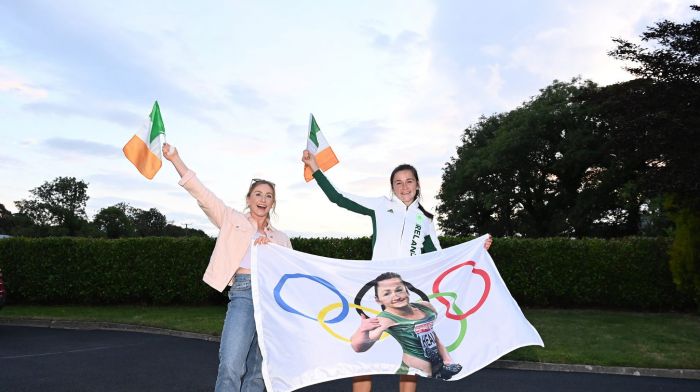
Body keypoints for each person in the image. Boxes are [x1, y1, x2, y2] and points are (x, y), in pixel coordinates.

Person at [301, 151, 492, 392]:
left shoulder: (425, 219)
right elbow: (338, 198)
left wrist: (477, 249)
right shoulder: (380, 206)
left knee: (412, 361)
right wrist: (315, 167)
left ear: (418, 184)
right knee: (365, 359)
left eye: (409, 181)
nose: (404, 187)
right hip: (378, 293)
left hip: (404, 297)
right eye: (398, 182)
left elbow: (440, 258)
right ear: (392, 187)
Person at [164, 143, 292, 392]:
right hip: (244, 294)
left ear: (273, 203)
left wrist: (271, 253)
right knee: (231, 365)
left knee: (258, 373)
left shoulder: (282, 238)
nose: (263, 199)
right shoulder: (232, 219)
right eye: (258, 194)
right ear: (248, 198)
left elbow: (289, 275)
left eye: (268, 196)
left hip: (270, 302)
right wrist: (175, 159)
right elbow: (202, 194)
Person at [351, 272, 462, 380]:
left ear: (407, 291)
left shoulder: (426, 307)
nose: (396, 296)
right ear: (378, 300)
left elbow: (432, 334)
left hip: (435, 372)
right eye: (387, 293)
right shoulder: (384, 319)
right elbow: (358, 347)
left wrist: (447, 360)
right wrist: (362, 330)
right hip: (411, 375)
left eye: (399, 290)